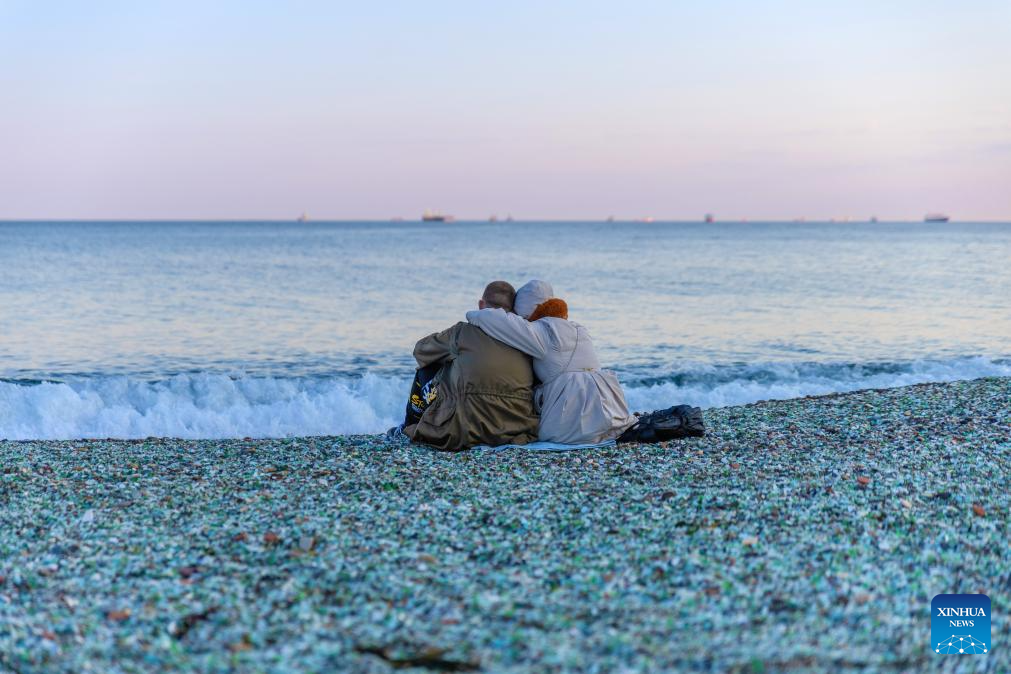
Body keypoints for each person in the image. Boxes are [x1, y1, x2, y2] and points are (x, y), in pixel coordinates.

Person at [465, 280, 704, 444]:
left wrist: (476, 312)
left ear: (525, 312)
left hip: (571, 417)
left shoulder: (539, 330)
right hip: (611, 410)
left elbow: (493, 319)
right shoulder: (578, 328)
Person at [394, 281, 539, 450]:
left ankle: (409, 426)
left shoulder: (462, 332)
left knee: (427, 368)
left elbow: (421, 351)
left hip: (463, 430)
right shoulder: (526, 339)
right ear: (513, 310)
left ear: (481, 304)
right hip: (517, 431)